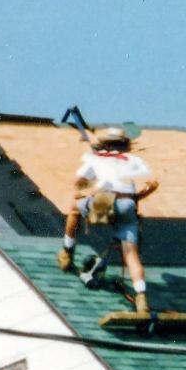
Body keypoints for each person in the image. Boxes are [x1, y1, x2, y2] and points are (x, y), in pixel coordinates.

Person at [56, 127, 160, 314]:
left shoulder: (96, 158)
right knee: (131, 253)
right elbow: (131, 195)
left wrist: (88, 182)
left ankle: (67, 252)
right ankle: (141, 297)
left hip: (104, 202)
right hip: (127, 204)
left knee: (73, 207)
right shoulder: (130, 160)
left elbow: (77, 182)